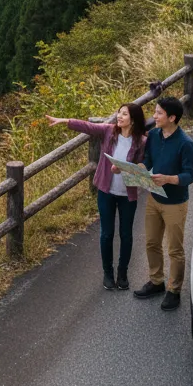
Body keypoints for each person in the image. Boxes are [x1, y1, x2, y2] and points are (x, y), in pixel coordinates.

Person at [45, 103, 146, 290]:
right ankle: (108, 274)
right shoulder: (109, 132)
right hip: (106, 192)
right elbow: (88, 127)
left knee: (126, 235)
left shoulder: (141, 141)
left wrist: (125, 169)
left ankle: (122, 274)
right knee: (106, 234)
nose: (119, 116)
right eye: (119, 112)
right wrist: (65, 121)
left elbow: (142, 168)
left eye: (124, 114)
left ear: (133, 120)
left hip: (127, 194)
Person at [132, 97, 193, 311]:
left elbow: (190, 175)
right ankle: (157, 281)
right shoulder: (154, 136)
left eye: (159, 113)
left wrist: (168, 178)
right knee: (151, 242)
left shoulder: (186, 144)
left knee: (175, 249)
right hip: (154, 197)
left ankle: (174, 290)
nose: (155, 116)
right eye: (155, 112)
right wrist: (140, 167)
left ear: (172, 117)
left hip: (175, 203)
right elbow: (149, 159)